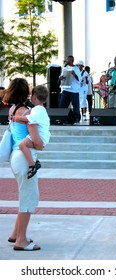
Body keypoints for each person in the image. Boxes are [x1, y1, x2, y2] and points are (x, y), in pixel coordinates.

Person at [0, 77, 43, 251]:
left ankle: (15, 234)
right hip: (24, 158)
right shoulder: (27, 113)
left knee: (24, 195)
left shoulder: (13, 109)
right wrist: (41, 142)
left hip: (16, 157)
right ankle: (21, 241)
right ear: (26, 92)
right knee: (28, 199)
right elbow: (38, 142)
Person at [13, 85, 51, 179]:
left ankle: (31, 165)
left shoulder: (37, 110)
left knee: (22, 145)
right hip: (43, 135)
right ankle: (36, 161)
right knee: (27, 145)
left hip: (41, 136)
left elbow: (29, 119)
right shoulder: (40, 109)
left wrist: (16, 118)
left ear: (34, 97)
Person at [59, 55, 82, 123]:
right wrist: (61, 78)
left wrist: (74, 74)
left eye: (67, 59)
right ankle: (63, 117)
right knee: (63, 104)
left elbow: (79, 79)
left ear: (71, 60)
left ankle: (77, 118)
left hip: (74, 90)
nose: (66, 61)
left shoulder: (76, 69)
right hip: (66, 89)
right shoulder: (65, 68)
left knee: (75, 105)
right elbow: (61, 77)